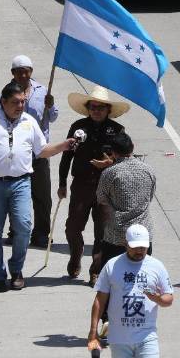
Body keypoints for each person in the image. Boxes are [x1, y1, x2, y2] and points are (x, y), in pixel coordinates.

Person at [0, 82, 74, 292]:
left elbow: (41, 150)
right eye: (15, 102)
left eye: (23, 102)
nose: (20, 106)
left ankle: (16, 269)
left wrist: (64, 145)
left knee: (24, 227)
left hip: (21, 183)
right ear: (3, 102)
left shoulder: (29, 122)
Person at [88, 224, 173, 358]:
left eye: (143, 247)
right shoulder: (112, 266)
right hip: (119, 338)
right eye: (135, 247)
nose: (140, 251)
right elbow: (100, 300)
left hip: (147, 336)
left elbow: (169, 299)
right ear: (125, 244)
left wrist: (157, 298)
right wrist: (93, 331)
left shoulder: (156, 266)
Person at [59, 85, 129, 285]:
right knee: (72, 227)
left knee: (102, 231)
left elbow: (126, 157)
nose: (96, 111)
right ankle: (76, 254)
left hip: (106, 187)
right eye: (93, 107)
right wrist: (62, 182)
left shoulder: (117, 130)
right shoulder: (78, 127)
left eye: (101, 107)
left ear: (108, 110)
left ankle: (96, 270)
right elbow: (67, 156)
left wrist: (110, 163)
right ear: (88, 108)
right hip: (81, 185)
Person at [0, 55, 59, 248]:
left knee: (42, 196)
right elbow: (0, 118)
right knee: (15, 194)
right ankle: (16, 231)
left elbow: (53, 117)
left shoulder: (43, 91)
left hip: (39, 152)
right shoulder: (6, 93)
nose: (23, 75)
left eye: (27, 71)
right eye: (19, 72)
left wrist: (51, 105)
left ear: (31, 71)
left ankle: (41, 233)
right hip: (16, 152)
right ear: (13, 73)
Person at [97, 132, 156, 266]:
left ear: (113, 152)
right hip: (143, 234)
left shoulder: (110, 172)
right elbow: (150, 196)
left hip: (117, 235)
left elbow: (101, 198)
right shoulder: (148, 170)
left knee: (113, 273)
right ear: (132, 147)